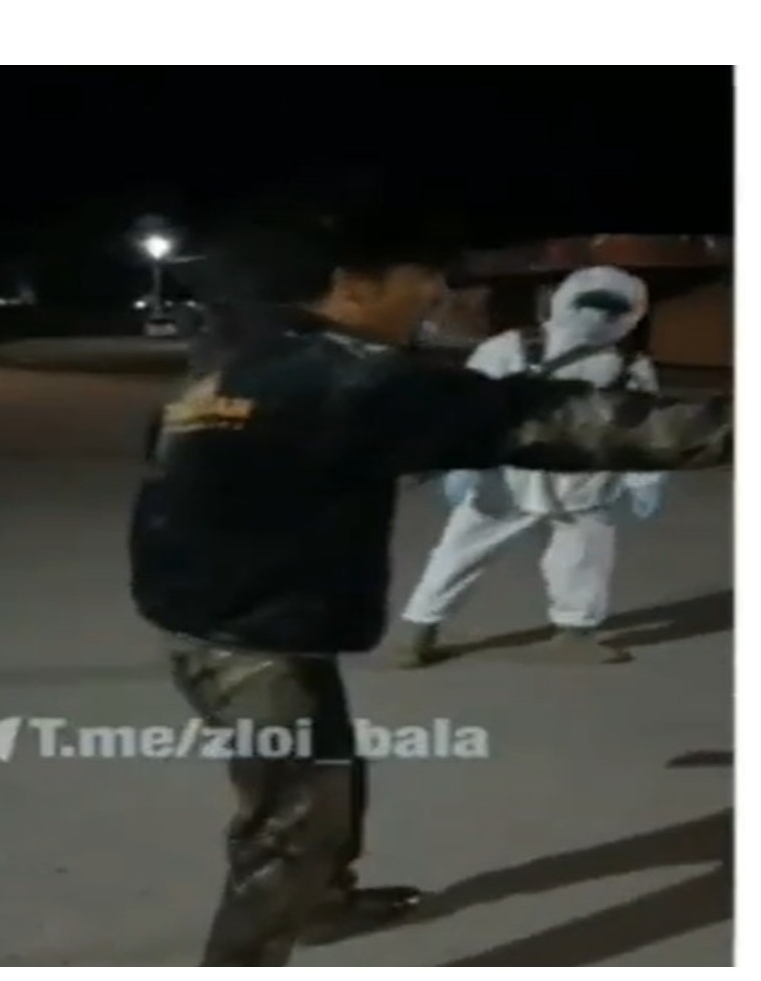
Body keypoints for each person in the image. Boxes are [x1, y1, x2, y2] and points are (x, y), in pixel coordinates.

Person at [127, 214, 731, 967]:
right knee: (293, 823)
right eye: (422, 277)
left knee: (325, 771)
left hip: (216, 610)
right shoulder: (351, 375)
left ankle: (325, 904)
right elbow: (556, 420)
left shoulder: (237, 355)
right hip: (251, 636)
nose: (437, 294)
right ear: (353, 286)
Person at [395, 266, 667, 668]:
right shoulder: (509, 348)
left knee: (582, 560)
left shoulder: (628, 366)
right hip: (509, 477)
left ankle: (575, 632)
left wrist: (645, 477)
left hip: (582, 481)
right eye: (590, 306)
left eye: (612, 311)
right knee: (461, 552)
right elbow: (467, 407)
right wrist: (461, 461)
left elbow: (640, 427)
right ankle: (419, 632)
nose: (597, 317)